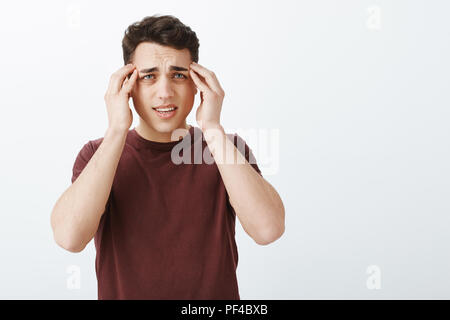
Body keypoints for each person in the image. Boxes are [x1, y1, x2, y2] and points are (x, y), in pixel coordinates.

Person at [50, 14, 285, 300]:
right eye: (149, 76)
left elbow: (268, 230)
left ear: (197, 82)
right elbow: (69, 238)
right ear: (128, 84)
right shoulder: (97, 154)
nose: (164, 93)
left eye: (178, 75)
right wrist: (116, 130)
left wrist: (212, 128)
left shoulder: (226, 150)